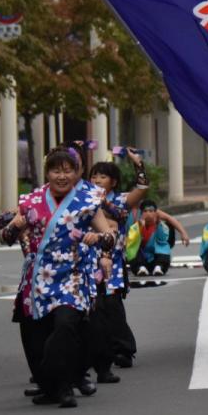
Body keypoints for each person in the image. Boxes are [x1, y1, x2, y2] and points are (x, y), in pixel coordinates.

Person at [0, 148, 116, 408]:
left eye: (67, 170)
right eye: (56, 170)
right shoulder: (31, 202)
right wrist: (16, 226)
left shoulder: (87, 200)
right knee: (36, 337)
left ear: (76, 173)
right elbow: (6, 237)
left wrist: (99, 239)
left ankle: (64, 385)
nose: (62, 176)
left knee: (65, 325)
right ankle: (53, 386)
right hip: (39, 277)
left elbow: (110, 235)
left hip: (72, 276)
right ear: (47, 173)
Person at [88, 151, 149, 377]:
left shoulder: (120, 200)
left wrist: (139, 165)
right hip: (87, 261)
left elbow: (142, 190)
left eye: (102, 176)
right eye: (94, 176)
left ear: (113, 181)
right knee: (94, 308)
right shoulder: (84, 200)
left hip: (112, 262)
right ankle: (99, 351)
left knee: (111, 306)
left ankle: (124, 349)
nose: (97, 180)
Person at [126, 200, 189, 276]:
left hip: (155, 251)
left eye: (151, 211)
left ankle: (159, 266)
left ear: (155, 213)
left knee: (163, 249)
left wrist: (183, 233)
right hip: (141, 252)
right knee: (133, 250)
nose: (148, 213)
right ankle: (140, 267)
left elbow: (163, 242)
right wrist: (139, 228)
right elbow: (130, 241)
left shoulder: (160, 225)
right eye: (145, 211)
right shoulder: (133, 223)